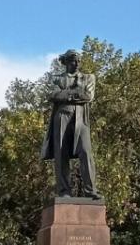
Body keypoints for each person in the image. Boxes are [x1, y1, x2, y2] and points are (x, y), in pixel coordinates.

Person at [40, 49, 99, 198]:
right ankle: (64, 191)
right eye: (73, 60)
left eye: (79, 60)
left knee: (86, 152)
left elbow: (88, 96)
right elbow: (53, 95)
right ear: (65, 62)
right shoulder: (56, 79)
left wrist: (65, 94)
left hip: (80, 118)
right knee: (61, 154)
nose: (77, 63)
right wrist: (75, 93)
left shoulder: (88, 78)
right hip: (61, 117)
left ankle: (90, 191)